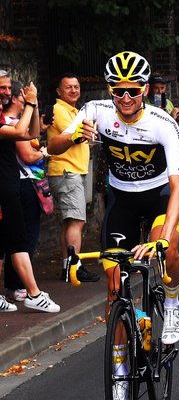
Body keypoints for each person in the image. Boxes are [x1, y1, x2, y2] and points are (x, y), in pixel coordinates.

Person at [49, 52, 179, 400]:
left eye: (133, 90)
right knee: (114, 290)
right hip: (121, 202)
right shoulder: (95, 111)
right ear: (110, 90)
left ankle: (171, 302)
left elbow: (178, 188)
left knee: (167, 246)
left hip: (158, 197)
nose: (125, 98)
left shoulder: (162, 123)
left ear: (144, 88)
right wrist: (74, 135)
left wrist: (163, 235)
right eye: (118, 91)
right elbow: (52, 146)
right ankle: (121, 373)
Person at [0, 73, 60, 313]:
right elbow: (19, 132)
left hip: (8, 186)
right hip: (5, 189)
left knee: (9, 244)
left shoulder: (5, 118)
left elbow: (32, 132)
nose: (5, 91)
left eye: (7, 87)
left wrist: (32, 108)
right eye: (1, 88)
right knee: (19, 243)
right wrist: (31, 104)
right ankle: (33, 294)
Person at [45, 73, 101, 283]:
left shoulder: (73, 110)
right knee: (76, 221)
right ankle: (73, 269)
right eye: (68, 87)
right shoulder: (58, 110)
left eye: (76, 87)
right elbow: (77, 133)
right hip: (67, 171)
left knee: (71, 222)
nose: (74, 90)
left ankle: (68, 266)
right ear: (59, 91)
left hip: (73, 170)